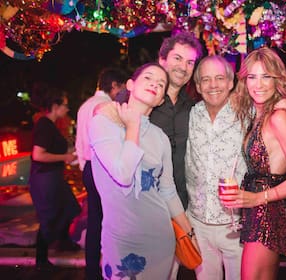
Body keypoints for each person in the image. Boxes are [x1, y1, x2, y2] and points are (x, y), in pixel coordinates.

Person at [88, 62, 198, 279]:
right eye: (148, 78)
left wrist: (189, 231)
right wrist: (133, 125)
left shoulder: (160, 137)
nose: (154, 84)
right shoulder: (103, 123)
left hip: (160, 238)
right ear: (130, 84)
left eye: (160, 84)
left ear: (160, 99)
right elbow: (123, 174)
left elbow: (167, 190)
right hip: (121, 240)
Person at [222, 47, 286, 279]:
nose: (259, 84)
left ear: (278, 80)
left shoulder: (278, 117)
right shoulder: (262, 114)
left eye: (266, 77)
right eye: (252, 76)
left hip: (267, 211)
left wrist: (258, 198)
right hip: (261, 210)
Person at [185, 55, 246, 280]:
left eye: (219, 78)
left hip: (236, 226)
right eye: (206, 80)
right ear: (198, 86)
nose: (213, 85)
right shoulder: (191, 115)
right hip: (198, 224)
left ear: (231, 83)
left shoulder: (247, 114)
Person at [75, 67, 127, 279]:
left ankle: (92, 271)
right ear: (114, 85)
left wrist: (82, 166)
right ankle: (112, 268)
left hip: (88, 167)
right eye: (121, 87)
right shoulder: (107, 107)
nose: (123, 92)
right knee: (110, 220)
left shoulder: (83, 106)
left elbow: (79, 143)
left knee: (95, 219)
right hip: (103, 167)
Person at [150, 31, 204, 210]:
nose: (183, 67)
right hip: (147, 202)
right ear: (162, 60)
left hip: (181, 203)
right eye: (178, 58)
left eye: (190, 62)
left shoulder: (193, 107)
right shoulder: (141, 98)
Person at [29, 87, 81, 270]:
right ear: (55, 106)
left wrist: (72, 153)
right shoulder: (44, 124)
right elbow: (38, 155)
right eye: (65, 105)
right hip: (44, 178)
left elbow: (52, 150)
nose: (67, 109)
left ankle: (63, 242)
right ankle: (41, 260)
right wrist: (65, 157)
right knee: (49, 217)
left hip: (52, 177)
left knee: (70, 208)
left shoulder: (50, 125)